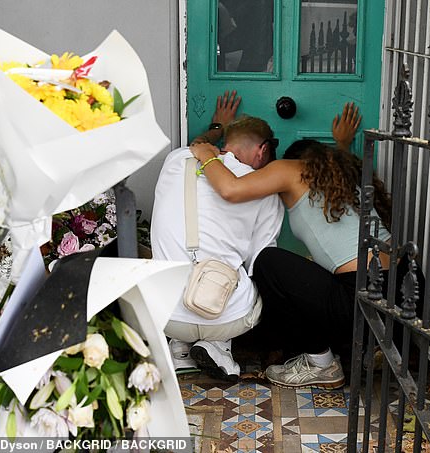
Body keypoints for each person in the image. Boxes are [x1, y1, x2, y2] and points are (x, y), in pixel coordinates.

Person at [189, 103, 395, 389]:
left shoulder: (291, 169)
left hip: (356, 297)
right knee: (312, 272)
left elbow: (230, 189)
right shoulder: (347, 178)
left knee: (268, 262)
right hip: (403, 292)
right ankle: (370, 344)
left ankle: (321, 364)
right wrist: (343, 144)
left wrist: (207, 152)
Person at [151, 92, 283, 382]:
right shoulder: (265, 192)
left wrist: (217, 126)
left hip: (165, 313)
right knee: (251, 270)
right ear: (262, 152)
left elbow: (197, 145)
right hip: (226, 316)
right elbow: (261, 261)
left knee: (178, 258)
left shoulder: (175, 160)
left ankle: (180, 351)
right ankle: (217, 346)